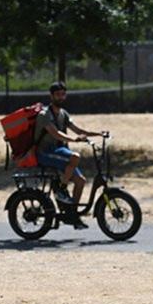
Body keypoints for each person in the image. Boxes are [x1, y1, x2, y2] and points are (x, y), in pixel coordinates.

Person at [34, 81, 104, 229]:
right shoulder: (44, 114)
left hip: (59, 152)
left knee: (80, 181)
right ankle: (61, 189)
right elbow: (55, 133)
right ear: (51, 96)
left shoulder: (63, 113)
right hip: (45, 153)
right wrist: (74, 140)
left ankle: (72, 214)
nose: (61, 97)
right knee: (75, 157)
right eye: (58, 94)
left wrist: (98, 134)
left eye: (63, 94)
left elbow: (78, 130)